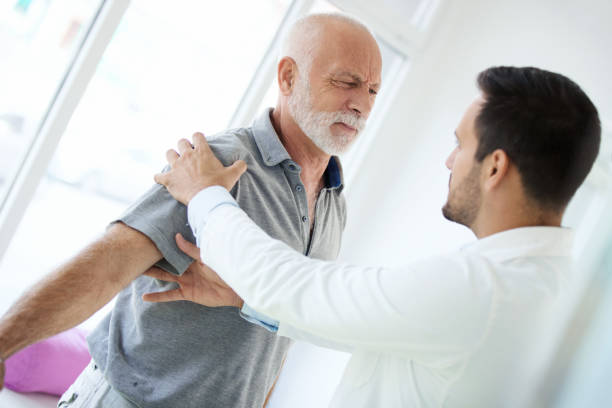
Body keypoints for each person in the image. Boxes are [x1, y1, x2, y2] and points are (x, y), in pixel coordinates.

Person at [146, 66, 601, 407]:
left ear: (495, 167)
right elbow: (382, 324)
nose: (448, 161)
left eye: (460, 144)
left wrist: (205, 195)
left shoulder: (485, 289)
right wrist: (243, 298)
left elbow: (299, 286)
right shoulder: (546, 283)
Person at [0, 13, 382, 408]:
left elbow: (278, 338)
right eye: (346, 82)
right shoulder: (215, 163)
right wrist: (3, 342)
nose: (361, 105)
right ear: (288, 78)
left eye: (373, 90)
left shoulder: (334, 201)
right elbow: (108, 264)